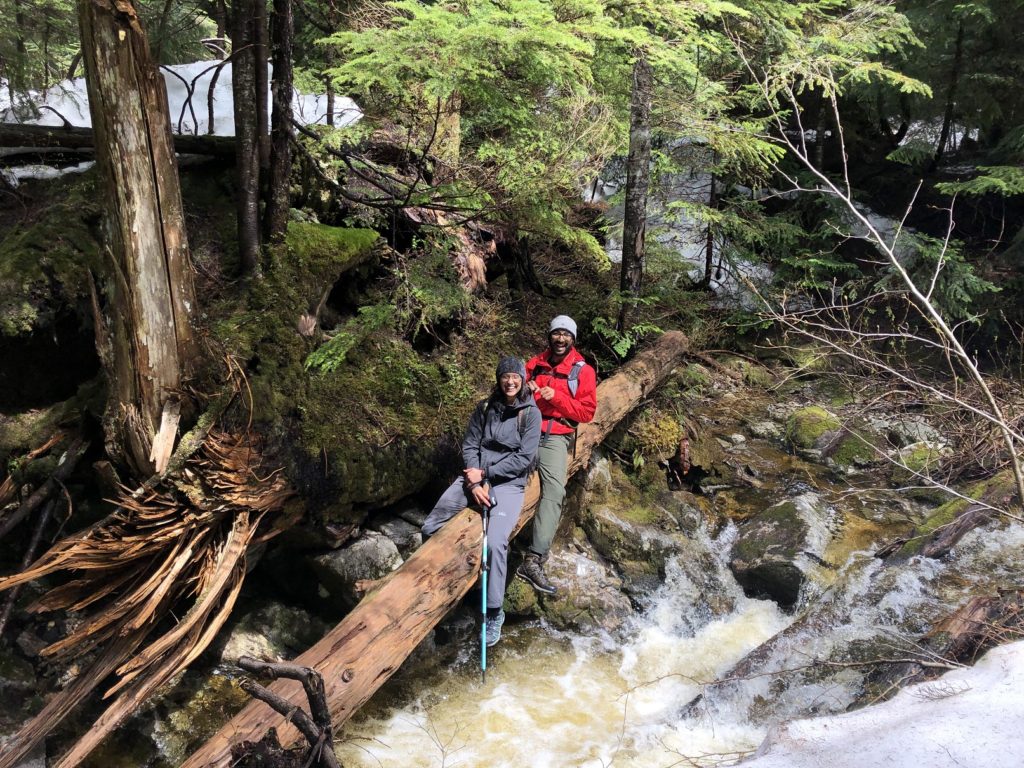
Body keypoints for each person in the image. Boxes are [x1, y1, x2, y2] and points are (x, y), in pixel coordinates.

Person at [422, 356, 541, 647]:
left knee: (496, 542)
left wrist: (486, 473)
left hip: (508, 483)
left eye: (515, 377)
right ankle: (443, 587)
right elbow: (471, 444)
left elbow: (524, 459)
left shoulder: (531, 414)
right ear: (499, 379)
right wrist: (474, 482)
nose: (510, 382)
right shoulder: (486, 407)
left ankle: (494, 611)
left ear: (523, 379)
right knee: (430, 526)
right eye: (505, 377)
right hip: (475, 476)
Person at [516, 315, 597, 596]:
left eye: (566, 335)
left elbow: (587, 412)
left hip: (554, 437)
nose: (560, 339)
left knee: (553, 491)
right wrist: (527, 388)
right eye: (556, 334)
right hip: (524, 430)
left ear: (573, 339)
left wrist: (556, 397)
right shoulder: (535, 363)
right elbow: (513, 386)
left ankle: (534, 558)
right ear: (549, 336)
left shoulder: (582, 371)